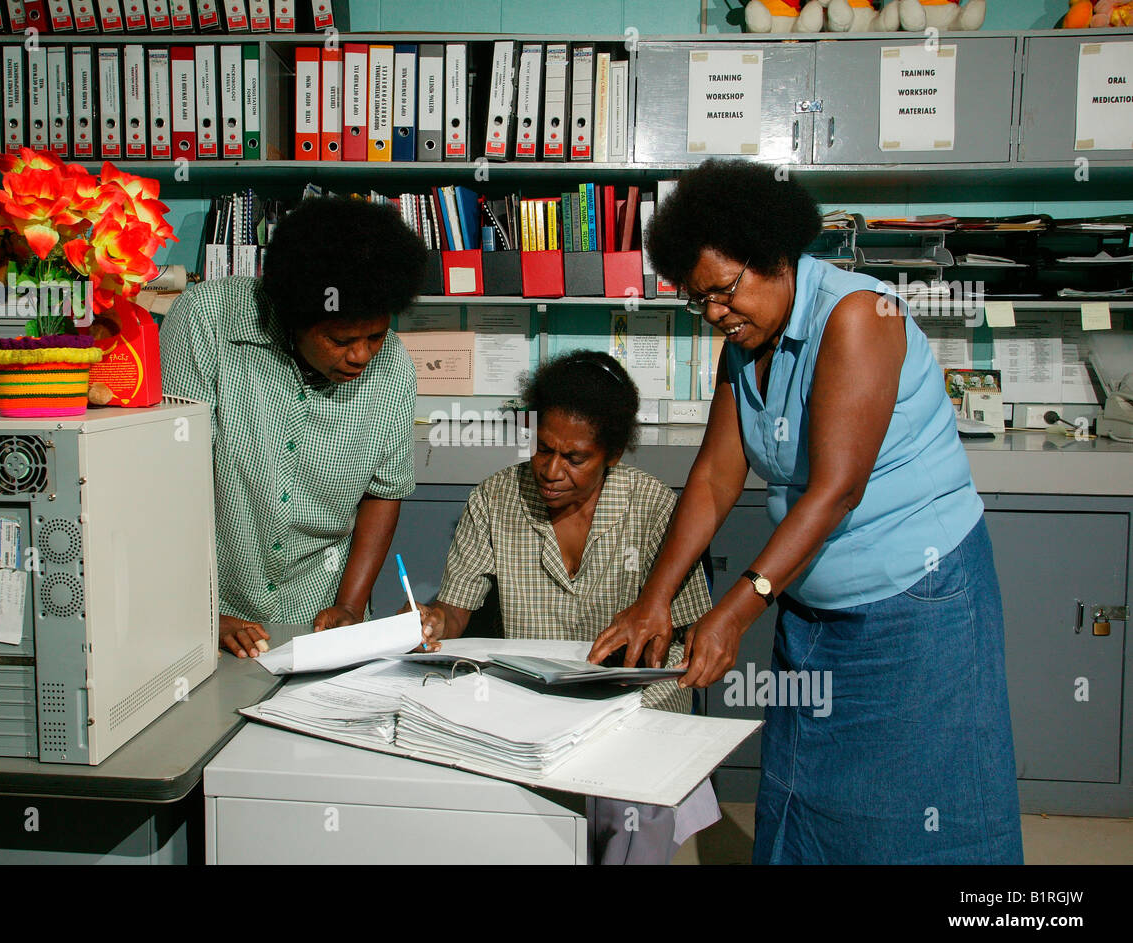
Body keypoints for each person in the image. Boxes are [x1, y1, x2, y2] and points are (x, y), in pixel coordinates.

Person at [591, 160, 1023, 864]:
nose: (715, 315)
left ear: (777, 257)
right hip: (814, 607)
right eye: (699, 302)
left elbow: (836, 489)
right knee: (804, 794)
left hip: (919, 607)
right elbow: (711, 479)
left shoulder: (858, 316)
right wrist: (655, 599)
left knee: (918, 811)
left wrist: (733, 609)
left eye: (724, 292)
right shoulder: (747, 343)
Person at [408, 350, 721, 864]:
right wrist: (434, 620)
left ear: (613, 454)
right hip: (535, 715)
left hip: (634, 718)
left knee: (632, 815)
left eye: (575, 458)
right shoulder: (496, 499)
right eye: (543, 448)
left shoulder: (654, 506)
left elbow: (686, 629)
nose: (551, 471)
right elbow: (456, 609)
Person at [160, 196, 427, 657]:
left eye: (376, 336)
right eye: (341, 340)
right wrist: (195, 609)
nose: (362, 355)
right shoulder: (207, 322)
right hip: (209, 612)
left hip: (319, 615)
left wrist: (349, 606)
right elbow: (163, 480)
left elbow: (384, 492)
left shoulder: (393, 369)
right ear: (292, 316)